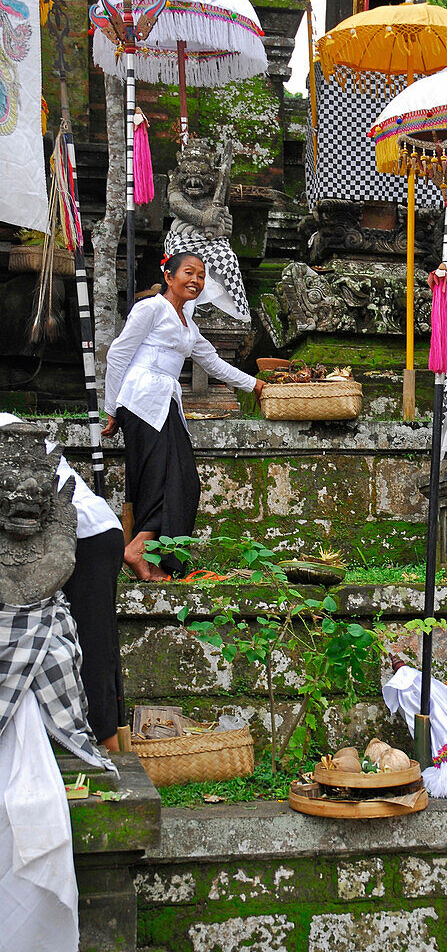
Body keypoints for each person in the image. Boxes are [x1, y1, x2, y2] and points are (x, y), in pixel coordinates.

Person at [102, 252, 263, 580]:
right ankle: (137, 552)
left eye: (201, 276)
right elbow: (118, 353)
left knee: (184, 482)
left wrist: (256, 385)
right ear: (169, 276)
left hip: (166, 404)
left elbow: (213, 363)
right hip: (140, 401)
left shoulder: (188, 323)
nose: (196, 280)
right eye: (189, 273)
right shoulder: (151, 308)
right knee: (161, 481)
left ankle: (152, 559)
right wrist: (113, 407)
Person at [0, 412, 124, 753]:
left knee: (93, 644)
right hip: (36, 540)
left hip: (86, 535)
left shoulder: (9, 429)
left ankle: (107, 747)